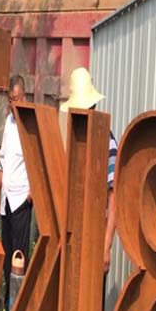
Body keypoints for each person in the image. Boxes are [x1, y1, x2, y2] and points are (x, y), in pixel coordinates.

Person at [59, 67, 117, 272]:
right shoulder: (77, 141)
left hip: (96, 236)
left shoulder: (108, 143)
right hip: (75, 234)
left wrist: (106, 245)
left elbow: (114, 197)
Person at [0, 74, 31, 311]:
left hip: (21, 198)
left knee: (20, 256)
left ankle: (18, 309)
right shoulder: (9, 121)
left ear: (24, 97)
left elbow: (36, 159)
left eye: (16, 99)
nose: (13, 104)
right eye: (10, 100)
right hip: (7, 197)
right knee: (7, 253)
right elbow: (3, 159)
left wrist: (32, 192)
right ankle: (8, 306)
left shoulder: (29, 122)